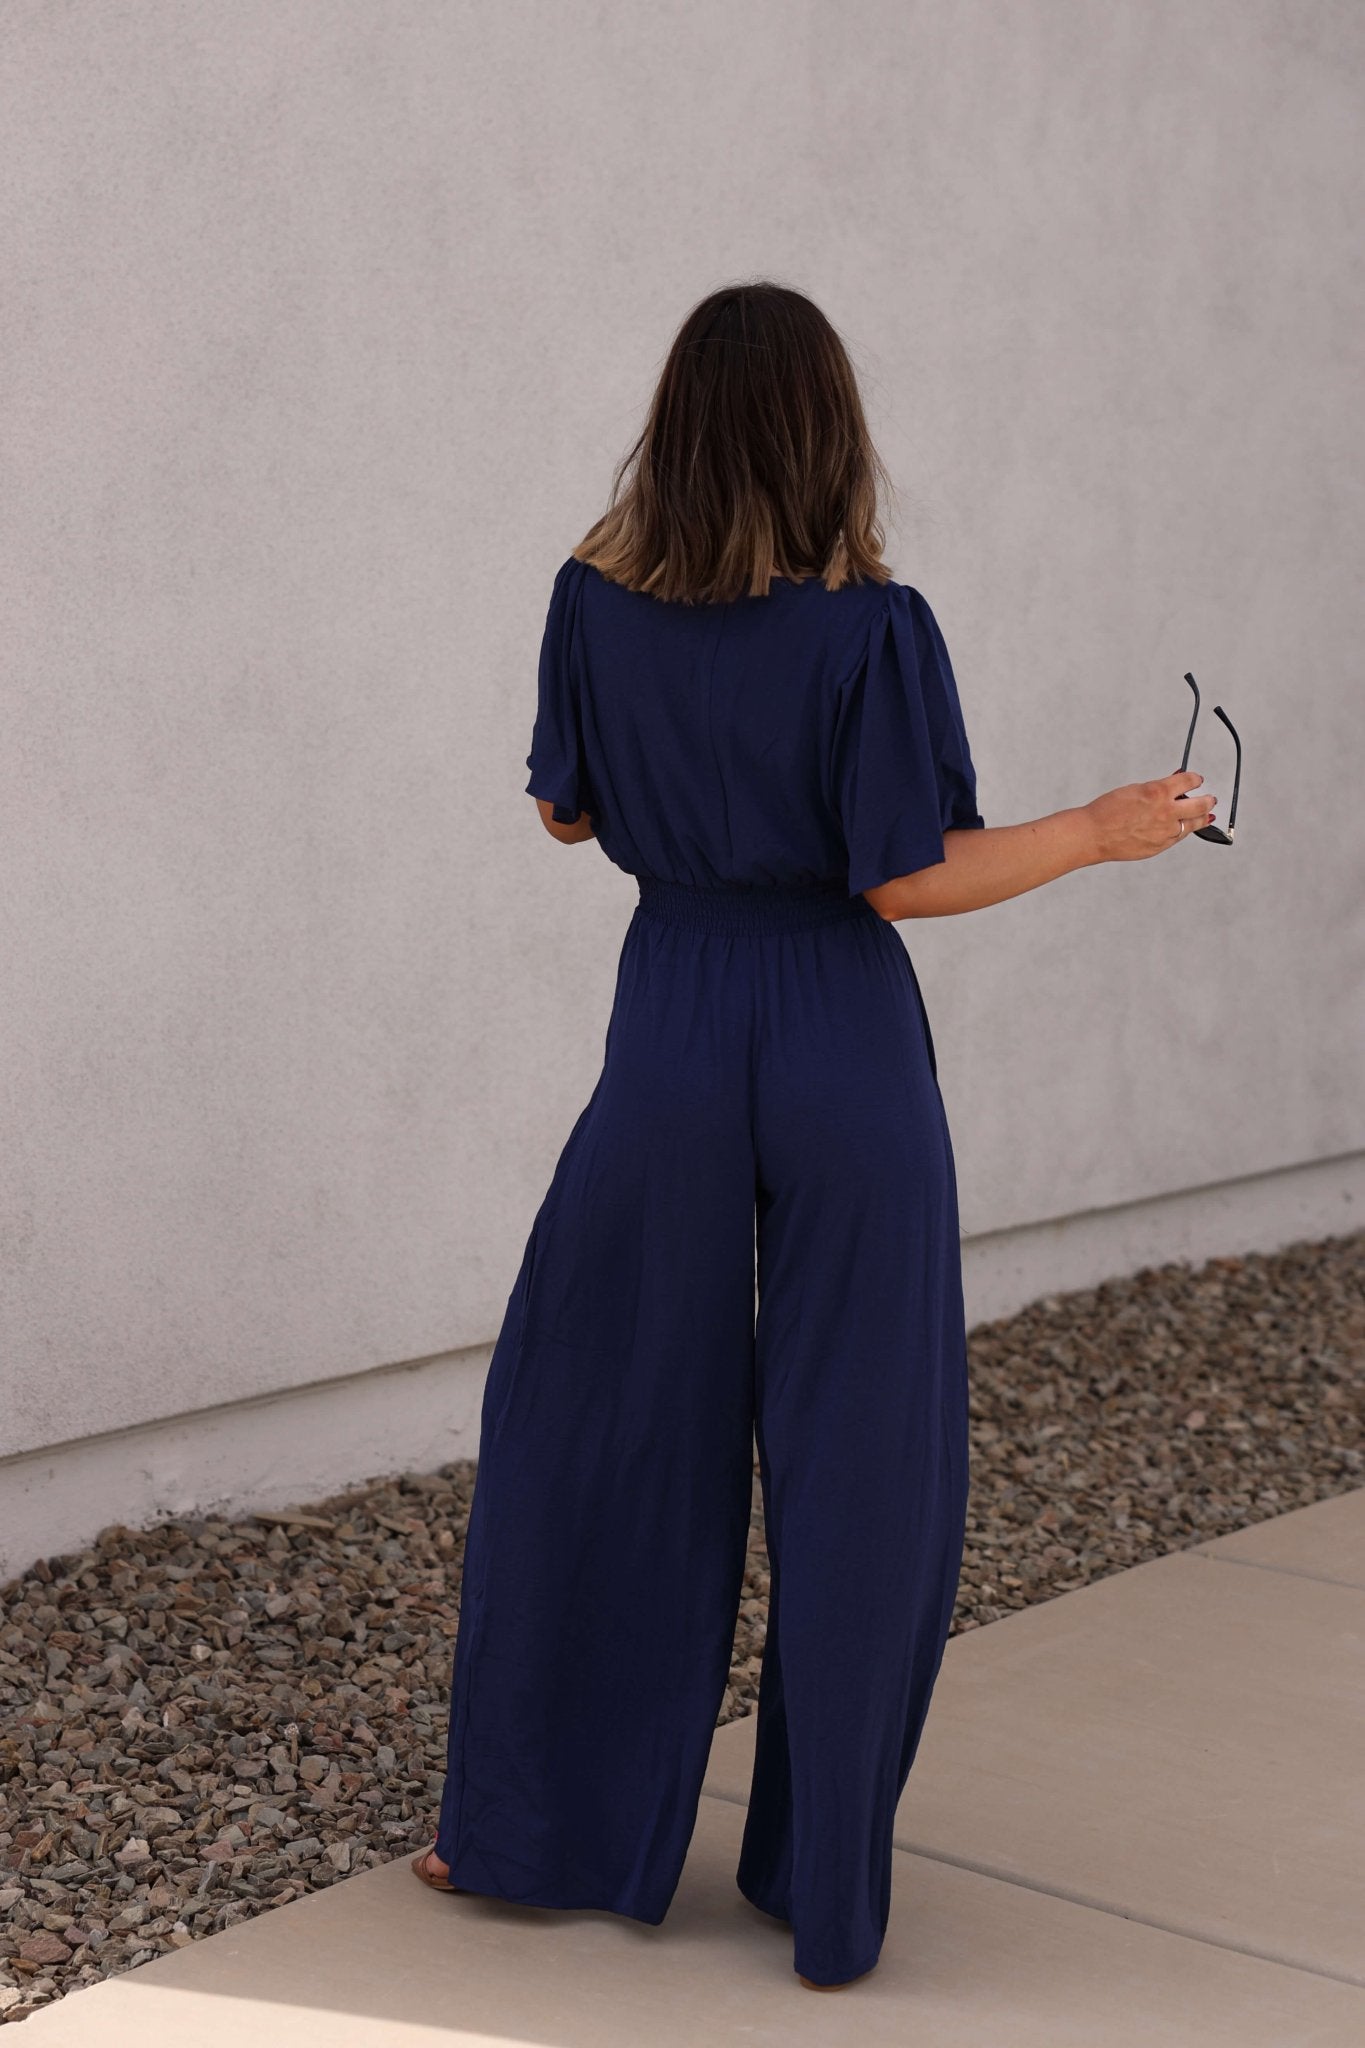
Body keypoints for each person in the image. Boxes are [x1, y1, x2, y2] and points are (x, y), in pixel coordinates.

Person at [411, 281, 1217, 1990]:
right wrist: (1096, 828)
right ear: (825, 433)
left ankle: (537, 1829)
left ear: (678, 428)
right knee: (866, 1456)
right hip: (841, 1036)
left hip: (675, 1024)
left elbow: (564, 813)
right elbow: (902, 871)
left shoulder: (586, 603)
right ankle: (819, 1885)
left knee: (602, 1422)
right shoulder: (873, 629)